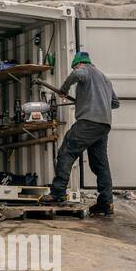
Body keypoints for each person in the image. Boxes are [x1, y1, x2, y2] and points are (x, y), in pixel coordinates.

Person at [42, 50, 119, 216]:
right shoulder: (105, 79)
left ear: (79, 63)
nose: (76, 69)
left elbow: (77, 75)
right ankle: (106, 203)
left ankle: (57, 193)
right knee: (100, 164)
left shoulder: (84, 70)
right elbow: (115, 103)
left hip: (88, 123)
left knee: (66, 152)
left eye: (74, 66)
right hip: (103, 125)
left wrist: (63, 90)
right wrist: (96, 102)